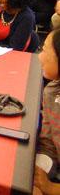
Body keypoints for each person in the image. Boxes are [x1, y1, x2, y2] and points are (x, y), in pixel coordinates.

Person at [33, 29, 60, 194]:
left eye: (44, 50)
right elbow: (48, 143)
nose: (39, 57)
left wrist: (52, 188)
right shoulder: (52, 91)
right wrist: (38, 173)